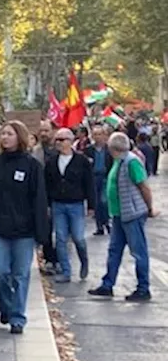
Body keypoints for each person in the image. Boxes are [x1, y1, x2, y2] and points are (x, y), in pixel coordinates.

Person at [0, 121, 49, 333]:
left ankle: (17, 317)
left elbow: (39, 199)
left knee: (20, 275)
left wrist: (41, 232)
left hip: (24, 230)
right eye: (3, 134)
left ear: (20, 137)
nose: (5, 137)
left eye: (9, 134)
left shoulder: (32, 165)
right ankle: (6, 303)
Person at [88, 132, 156, 301]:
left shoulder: (131, 162)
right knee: (114, 250)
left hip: (132, 213)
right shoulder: (121, 161)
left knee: (138, 252)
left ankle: (143, 288)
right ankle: (107, 284)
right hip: (120, 214)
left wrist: (149, 208)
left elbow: (144, 186)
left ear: (112, 147)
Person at [44, 128, 94, 283]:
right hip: (58, 204)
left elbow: (89, 183)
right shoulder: (51, 162)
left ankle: (84, 260)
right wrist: (47, 204)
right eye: (56, 139)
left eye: (62, 139)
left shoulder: (82, 161)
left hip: (76, 204)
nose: (58, 143)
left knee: (78, 238)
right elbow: (47, 184)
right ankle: (66, 271)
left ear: (70, 141)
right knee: (60, 238)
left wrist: (91, 205)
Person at [86, 125, 113, 236]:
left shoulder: (109, 149)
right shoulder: (89, 150)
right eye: (95, 134)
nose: (97, 137)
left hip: (105, 177)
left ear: (104, 135)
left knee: (104, 201)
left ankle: (107, 222)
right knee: (96, 202)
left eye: (99, 134)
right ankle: (99, 226)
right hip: (93, 178)